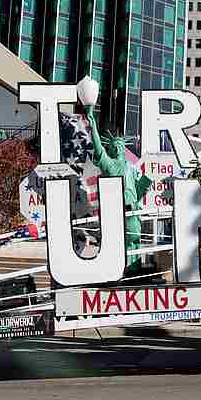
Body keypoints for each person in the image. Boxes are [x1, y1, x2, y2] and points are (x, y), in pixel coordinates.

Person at [85, 107, 152, 276]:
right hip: (116, 211)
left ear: (124, 148)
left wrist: (144, 185)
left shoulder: (131, 167)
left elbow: (136, 190)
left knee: (134, 239)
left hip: (133, 209)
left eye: (120, 146)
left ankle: (133, 271)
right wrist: (92, 125)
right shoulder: (109, 164)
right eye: (114, 146)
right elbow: (99, 150)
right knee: (119, 242)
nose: (117, 149)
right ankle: (121, 271)